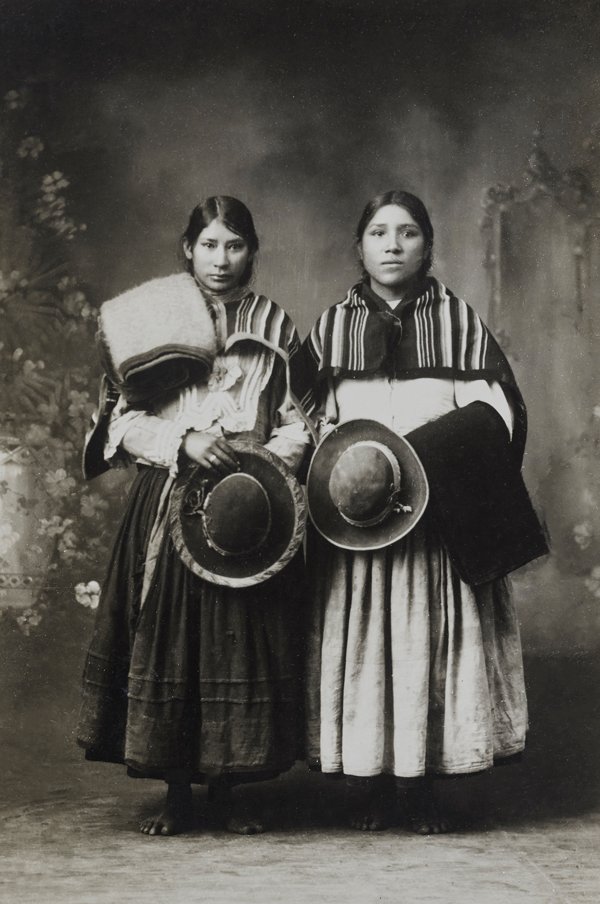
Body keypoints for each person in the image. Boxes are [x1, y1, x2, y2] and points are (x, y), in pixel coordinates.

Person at [300, 190, 539, 834]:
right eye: (379, 232)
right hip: (359, 528)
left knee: (426, 649)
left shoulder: (458, 321)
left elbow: (496, 415)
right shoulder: (331, 328)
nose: (393, 245)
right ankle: (374, 784)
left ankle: (423, 786)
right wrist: (347, 467)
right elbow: (310, 419)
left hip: (436, 523)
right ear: (359, 246)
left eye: (408, 233)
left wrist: (428, 456)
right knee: (369, 651)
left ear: (428, 245)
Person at [77, 196, 311, 836]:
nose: (222, 259)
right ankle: (177, 791)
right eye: (209, 245)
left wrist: (262, 457)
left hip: (248, 507)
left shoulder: (276, 328)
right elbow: (119, 423)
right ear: (188, 249)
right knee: (170, 638)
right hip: (168, 500)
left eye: (235, 246)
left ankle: (229, 789)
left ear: (252, 253)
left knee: (237, 638)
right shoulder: (148, 317)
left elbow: (301, 424)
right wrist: (181, 443)